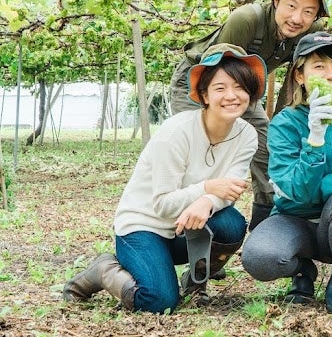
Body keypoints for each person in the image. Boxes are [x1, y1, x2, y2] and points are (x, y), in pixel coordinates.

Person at [64, 45, 266, 313]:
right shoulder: (177, 132)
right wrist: (206, 189)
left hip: (187, 228)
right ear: (204, 95)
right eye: (220, 88)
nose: (231, 96)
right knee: (158, 301)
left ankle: (196, 282)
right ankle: (104, 270)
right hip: (144, 226)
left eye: (240, 87)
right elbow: (161, 204)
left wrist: (205, 201)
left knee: (231, 224)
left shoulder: (247, 135)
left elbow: (230, 190)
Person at [169, 0, 330, 231]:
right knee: (204, 148)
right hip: (201, 83)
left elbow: (292, 83)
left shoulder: (308, 34)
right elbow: (217, 74)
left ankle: (262, 224)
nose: (297, 18)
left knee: (267, 147)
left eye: (308, 12)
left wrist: (283, 127)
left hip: (244, 89)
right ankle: (190, 226)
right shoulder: (247, 19)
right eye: (291, 5)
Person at [240, 32, 332, 317]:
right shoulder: (285, 123)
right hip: (294, 221)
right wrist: (315, 137)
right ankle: (302, 268)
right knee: (259, 259)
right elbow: (294, 192)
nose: (331, 75)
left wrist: (320, 186)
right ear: (301, 75)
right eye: (319, 66)